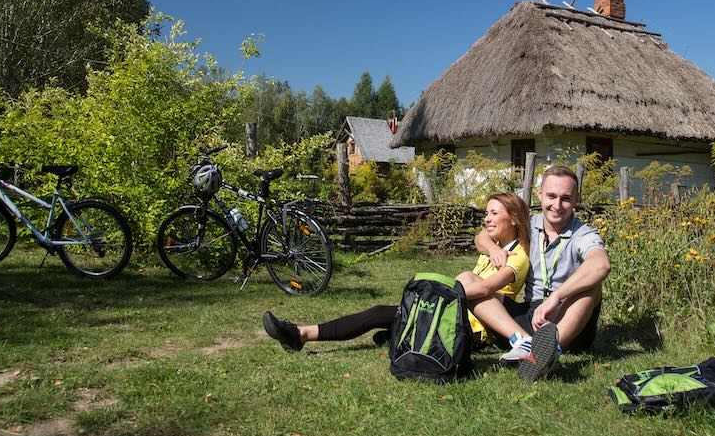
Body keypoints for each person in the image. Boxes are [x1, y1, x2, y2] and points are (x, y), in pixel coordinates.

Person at [262, 192, 533, 353]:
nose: (486, 218)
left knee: (384, 313)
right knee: (386, 314)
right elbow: (478, 238)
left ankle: (302, 334)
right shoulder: (494, 245)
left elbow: (485, 290)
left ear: (513, 218)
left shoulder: (518, 256)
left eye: (493, 213)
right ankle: (302, 334)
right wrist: (489, 247)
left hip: (467, 328)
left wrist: (435, 292)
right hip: (449, 312)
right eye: (486, 212)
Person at [470, 164, 611, 382]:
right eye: (551, 196)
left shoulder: (583, 233)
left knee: (593, 286)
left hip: (567, 317)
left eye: (565, 198)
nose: (557, 205)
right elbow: (482, 235)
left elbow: (601, 265)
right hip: (530, 314)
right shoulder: (527, 224)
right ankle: (524, 342)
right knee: (471, 283)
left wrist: (556, 297)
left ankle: (549, 351)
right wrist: (494, 248)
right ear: (539, 194)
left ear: (576, 199)